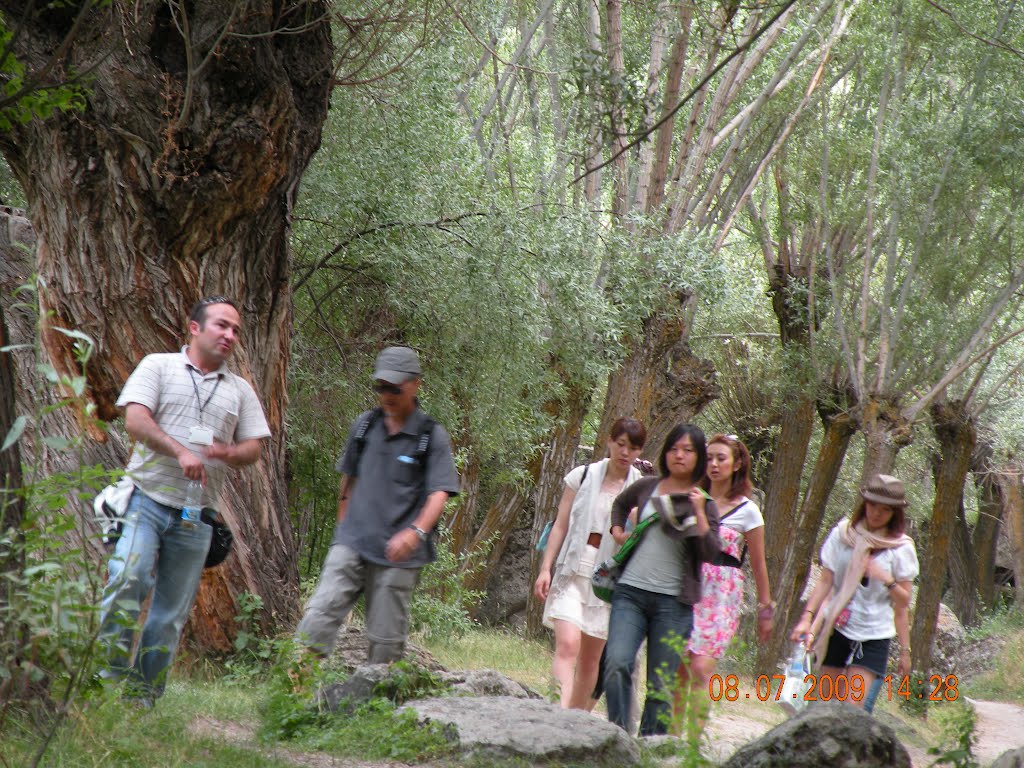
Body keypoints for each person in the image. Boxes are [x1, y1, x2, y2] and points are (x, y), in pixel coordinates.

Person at [98, 296, 271, 706]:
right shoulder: (158, 366)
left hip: (197, 515)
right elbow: (136, 420)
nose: (230, 335)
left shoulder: (240, 390)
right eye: (222, 326)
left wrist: (229, 453)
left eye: (235, 330)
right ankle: (106, 682)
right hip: (145, 499)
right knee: (127, 580)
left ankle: (141, 700)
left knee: (170, 615)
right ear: (195, 328)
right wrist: (180, 451)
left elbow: (254, 448)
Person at [296, 346, 459, 664]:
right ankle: (294, 697)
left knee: (385, 645)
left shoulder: (431, 436)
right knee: (316, 621)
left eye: (395, 387)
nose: (387, 394)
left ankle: (375, 706)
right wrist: (344, 525)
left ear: (416, 385)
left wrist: (414, 533)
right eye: (381, 386)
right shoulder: (364, 426)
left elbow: (439, 492)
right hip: (353, 543)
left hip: (399, 557)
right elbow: (350, 477)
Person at [602, 424, 721, 736]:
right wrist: (617, 531)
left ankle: (650, 749)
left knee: (661, 685)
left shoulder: (704, 502)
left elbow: (710, 552)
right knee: (617, 662)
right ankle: (618, 737)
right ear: (666, 452)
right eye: (674, 448)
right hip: (630, 594)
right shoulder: (647, 486)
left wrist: (699, 513)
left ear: (699, 457)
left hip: (674, 604)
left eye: (688, 450)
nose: (679, 455)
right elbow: (619, 505)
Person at [534, 418, 648, 710]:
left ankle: (576, 724)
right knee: (568, 645)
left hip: (607, 580)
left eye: (632, 448)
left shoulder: (643, 489)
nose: (625, 452)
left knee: (590, 659)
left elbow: (641, 540)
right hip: (573, 569)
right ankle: (555, 716)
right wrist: (545, 568)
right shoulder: (582, 476)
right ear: (609, 441)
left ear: (639, 452)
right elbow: (560, 525)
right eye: (620, 444)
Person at [790, 473, 918, 709]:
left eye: (885, 509)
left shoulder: (900, 548)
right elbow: (825, 581)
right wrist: (807, 619)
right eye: (872, 505)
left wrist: (885, 578)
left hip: (874, 632)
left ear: (894, 513)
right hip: (837, 625)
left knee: (852, 706)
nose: (876, 513)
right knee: (826, 703)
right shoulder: (842, 535)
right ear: (863, 504)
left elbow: (903, 602)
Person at [676, 433, 773, 733]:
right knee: (680, 670)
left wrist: (765, 608)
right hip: (688, 586)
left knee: (701, 669)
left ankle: (693, 744)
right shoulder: (692, 498)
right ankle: (669, 740)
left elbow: (758, 563)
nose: (714, 465)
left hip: (722, 594)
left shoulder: (748, 510)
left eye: (722, 458)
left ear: (737, 463)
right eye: (710, 458)